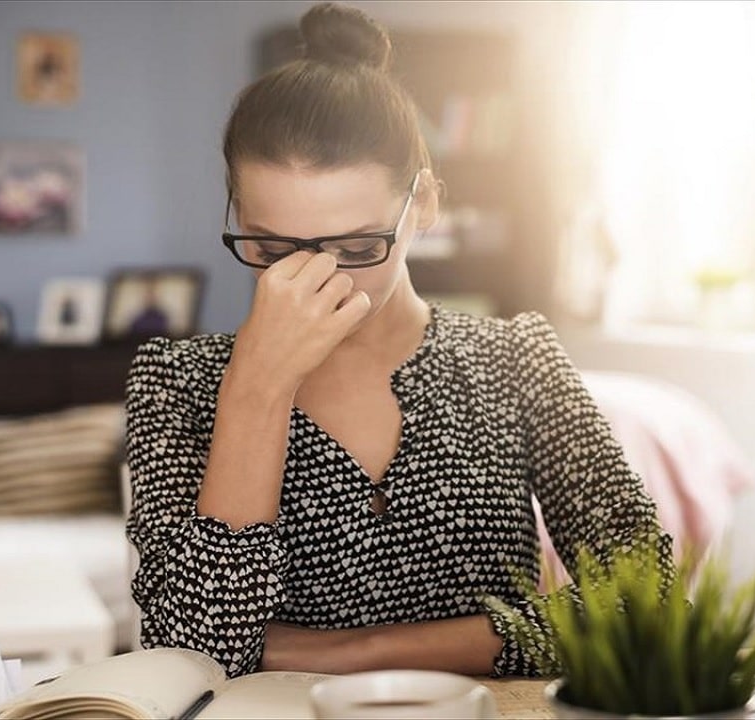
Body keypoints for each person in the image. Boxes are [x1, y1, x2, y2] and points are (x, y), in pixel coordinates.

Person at [124, 1, 673, 679]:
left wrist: (355, 653)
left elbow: (644, 601)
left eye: (357, 244)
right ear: (240, 218)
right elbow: (189, 654)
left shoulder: (516, 358)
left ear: (428, 204)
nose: (316, 274)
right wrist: (257, 389)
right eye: (272, 246)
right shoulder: (177, 380)